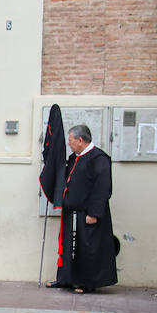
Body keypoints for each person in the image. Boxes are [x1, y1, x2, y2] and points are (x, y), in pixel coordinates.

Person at [49, 124, 117, 294]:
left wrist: (94, 213)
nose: (69, 144)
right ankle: (66, 279)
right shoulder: (74, 158)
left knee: (86, 249)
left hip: (87, 214)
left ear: (80, 140)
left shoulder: (98, 159)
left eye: (71, 141)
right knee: (69, 248)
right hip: (72, 213)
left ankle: (85, 282)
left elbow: (102, 188)